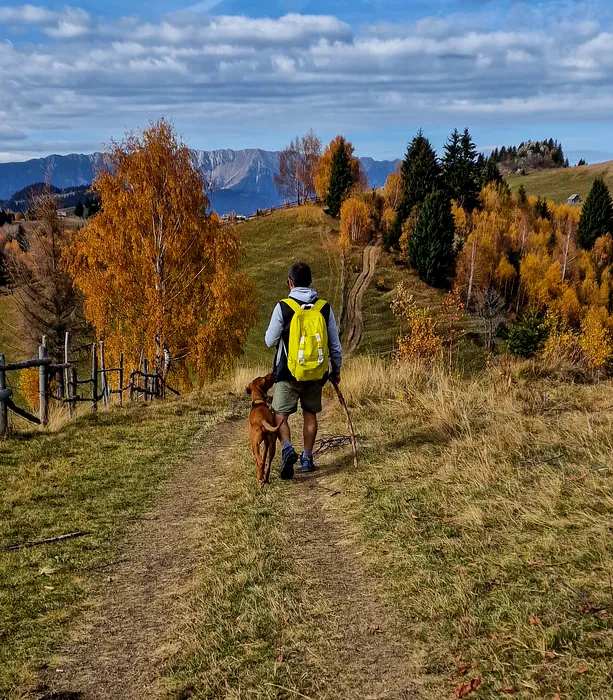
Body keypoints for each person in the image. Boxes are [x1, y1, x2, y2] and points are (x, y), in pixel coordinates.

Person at [265, 262, 342, 479]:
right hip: (315, 373)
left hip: (287, 373)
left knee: (280, 414)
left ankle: (287, 448)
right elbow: (335, 346)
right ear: (310, 281)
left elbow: (269, 341)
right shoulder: (324, 308)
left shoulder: (283, 307)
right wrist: (336, 370)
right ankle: (307, 458)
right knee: (310, 414)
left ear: (290, 282)